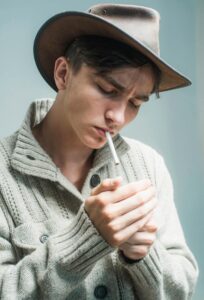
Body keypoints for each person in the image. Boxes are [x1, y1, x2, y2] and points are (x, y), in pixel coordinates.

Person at [0, 3, 198, 300]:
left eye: (135, 104)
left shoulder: (149, 166)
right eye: (108, 89)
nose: (118, 118)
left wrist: (143, 255)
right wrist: (87, 236)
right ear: (63, 73)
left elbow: (183, 288)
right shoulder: (4, 173)